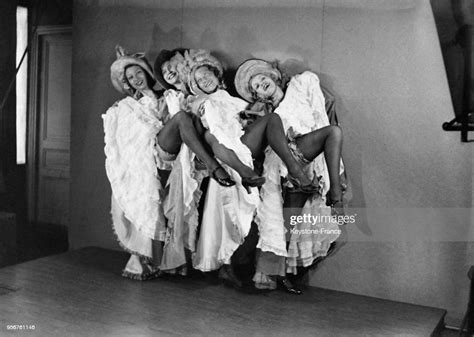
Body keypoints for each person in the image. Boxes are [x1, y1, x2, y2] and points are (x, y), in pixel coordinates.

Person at [103, 46, 235, 279]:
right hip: (152, 151)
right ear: (128, 83)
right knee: (181, 119)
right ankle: (214, 166)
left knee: (183, 117)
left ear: (147, 73)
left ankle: (211, 163)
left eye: (139, 74)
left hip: (171, 150)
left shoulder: (166, 95)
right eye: (131, 78)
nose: (136, 80)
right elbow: (129, 137)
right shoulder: (127, 106)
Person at [234, 58, 345, 291]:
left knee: (332, 133)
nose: (259, 84)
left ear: (272, 76)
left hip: (304, 153)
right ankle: (279, 275)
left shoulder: (299, 85)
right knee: (287, 221)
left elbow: (320, 117)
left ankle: (335, 194)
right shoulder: (265, 112)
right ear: (257, 96)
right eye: (254, 86)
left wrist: (324, 171)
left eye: (261, 78)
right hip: (279, 164)